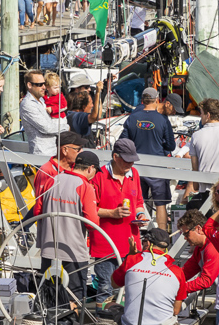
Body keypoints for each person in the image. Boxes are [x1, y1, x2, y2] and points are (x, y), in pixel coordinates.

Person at [35, 150, 99, 309]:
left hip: (49, 249)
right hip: (74, 253)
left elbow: (38, 212)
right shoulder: (85, 186)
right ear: (90, 168)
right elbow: (92, 223)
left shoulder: (53, 179)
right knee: (74, 300)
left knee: (49, 298)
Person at [89, 138, 146, 306]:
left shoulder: (134, 174)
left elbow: (139, 202)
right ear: (115, 157)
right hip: (104, 244)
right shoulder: (99, 175)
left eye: (133, 160)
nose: (131, 164)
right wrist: (112, 213)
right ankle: (104, 323)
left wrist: (141, 215)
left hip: (131, 242)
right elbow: (90, 209)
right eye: (127, 160)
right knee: (106, 288)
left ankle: (127, 321)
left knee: (131, 287)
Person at [120, 87, 175, 228]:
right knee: (160, 203)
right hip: (157, 167)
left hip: (136, 167)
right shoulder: (162, 120)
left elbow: (123, 142)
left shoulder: (132, 118)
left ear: (142, 100)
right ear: (157, 99)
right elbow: (171, 146)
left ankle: (139, 235)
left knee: (138, 202)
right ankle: (162, 235)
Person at [185, 98, 219, 196]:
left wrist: (196, 185)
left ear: (208, 115)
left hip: (205, 189)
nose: (200, 116)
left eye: (201, 113)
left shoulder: (196, 136)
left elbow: (195, 167)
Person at [31, 131, 88, 215]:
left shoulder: (78, 168)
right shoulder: (46, 171)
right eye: (78, 149)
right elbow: (40, 207)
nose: (82, 152)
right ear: (65, 150)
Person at [20, 69, 69, 154]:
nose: (44, 87)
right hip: (41, 153)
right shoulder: (28, 104)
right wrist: (66, 127)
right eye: (40, 84)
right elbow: (46, 128)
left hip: (52, 150)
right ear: (29, 85)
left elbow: (64, 106)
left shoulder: (41, 100)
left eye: (44, 84)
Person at [177, 208, 219, 294]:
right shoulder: (199, 248)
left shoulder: (212, 247)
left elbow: (206, 281)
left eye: (186, 234)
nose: (185, 238)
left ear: (198, 229)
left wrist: (178, 289)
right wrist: (167, 280)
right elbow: (186, 272)